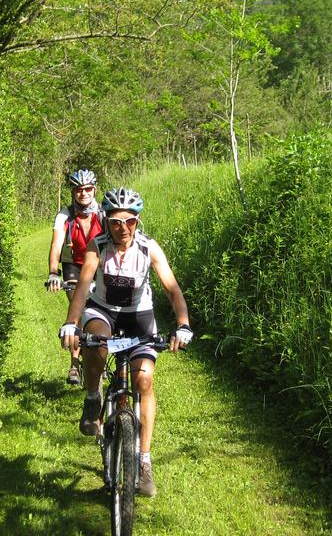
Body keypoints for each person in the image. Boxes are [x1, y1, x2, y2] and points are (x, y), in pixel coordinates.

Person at [59, 186, 192, 497]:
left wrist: (183, 325)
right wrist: (70, 323)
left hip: (138, 316)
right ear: (107, 221)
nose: (123, 228)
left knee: (144, 379)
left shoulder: (148, 248)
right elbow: (81, 289)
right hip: (103, 311)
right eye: (116, 221)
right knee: (96, 344)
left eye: (129, 221)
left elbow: (172, 290)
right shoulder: (98, 246)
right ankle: (93, 398)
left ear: (137, 221)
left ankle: (144, 461)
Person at [47, 168, 104, 385]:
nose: (84, 193)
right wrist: (53, 273)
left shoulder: (103, 213)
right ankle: (74, 363)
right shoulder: (65, 215)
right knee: (77, 311)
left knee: (102, 310)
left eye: (88, 189)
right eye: (79, 190)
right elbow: (55, 246)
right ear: (73, 192)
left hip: (98, 265)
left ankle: (103, 352)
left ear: (94, 189)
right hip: (73, 266)